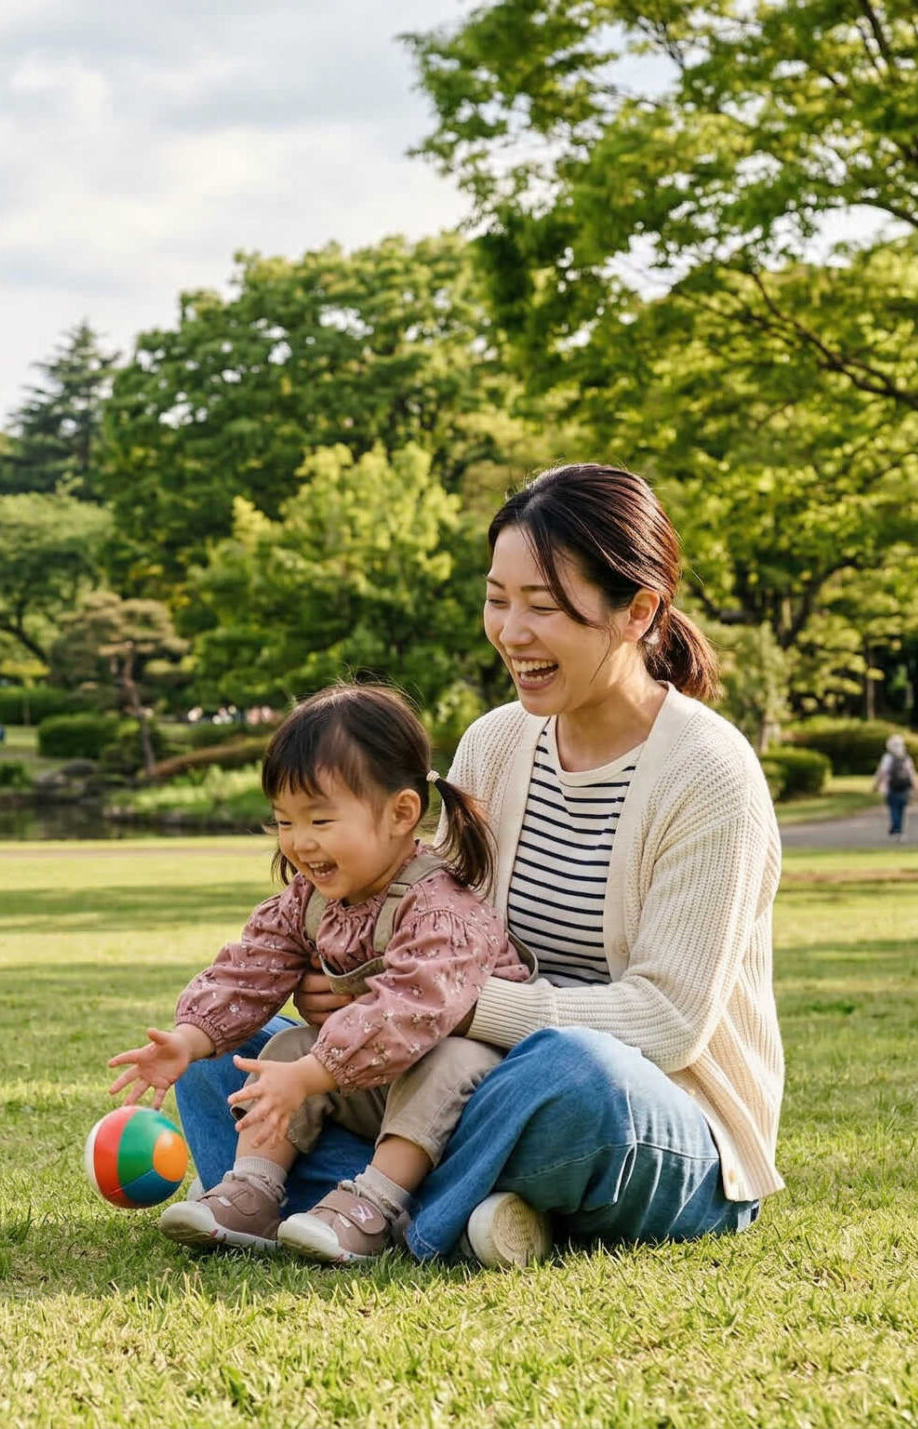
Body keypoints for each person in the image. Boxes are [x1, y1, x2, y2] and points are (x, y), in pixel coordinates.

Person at [172, 463, 783, 1267]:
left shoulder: (709, 773)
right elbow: (431, 922)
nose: (511, 631)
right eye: (499, 599)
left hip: (646, 1108)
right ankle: (458, 1212)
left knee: (573, 1072)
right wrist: (353, 989)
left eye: (544, 606)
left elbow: (665, 1024)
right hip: (458, 1076)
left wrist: (438, 1005)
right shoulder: (495, 743)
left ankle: (389, 1207)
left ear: (637, 611)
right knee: (231, 1055)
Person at [108, 683, 530, 1264]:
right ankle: (252, 1192)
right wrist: (188, 1037)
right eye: (284, 821)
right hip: (372, 1086)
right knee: (284, 1046)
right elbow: (249, 970)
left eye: (321, 819)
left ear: (401, 813)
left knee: (449, 1060)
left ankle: (376, 1206)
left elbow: (407, 1011)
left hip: (468, 1100)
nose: (300, 843)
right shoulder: (309, 901)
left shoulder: (440, 909)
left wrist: (312, 1074)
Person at [874, 733, 917, 841]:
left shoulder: (887, 758)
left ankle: (896, 828)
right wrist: (913, 787)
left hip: (891, 787)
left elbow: (882, 772)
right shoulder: (906, 758)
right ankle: (900, 831)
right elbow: (911, 773)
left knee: (893, 809)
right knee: (902, 810)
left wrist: (876, 785)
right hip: (904, 788)